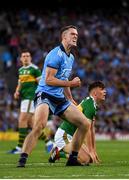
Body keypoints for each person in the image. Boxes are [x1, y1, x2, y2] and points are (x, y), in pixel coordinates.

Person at [17, 25, 91, 167]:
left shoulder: (71, 57)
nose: (76, 36)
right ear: (64, 37)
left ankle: (72, 159)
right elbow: (49, 80)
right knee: (39, 126)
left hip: (60, 99)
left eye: (76, 34)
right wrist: (71, 83)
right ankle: (22, 159)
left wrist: (70, 99)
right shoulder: (55, 54)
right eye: (72, 34)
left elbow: (63, 79)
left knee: (84, 123)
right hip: (45, 94)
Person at [48, 81, 106, 165]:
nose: (105, 91)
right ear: (95, 93)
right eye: (102, 89)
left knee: (89, 159)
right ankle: (58, 152)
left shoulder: (92, 104)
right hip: (65, 135)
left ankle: (63, 152)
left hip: (73, 137)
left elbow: (91, 129)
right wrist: (90, 151)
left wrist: (93, 151)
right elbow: (88, 130)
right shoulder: (90, 105)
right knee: (85, 160)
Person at [8, 49, 41, 154]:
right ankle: (49, 143)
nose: (26, 57)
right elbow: (20, 83)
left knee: (22, 120)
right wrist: (17, 91)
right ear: (21, 59)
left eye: (28, 56)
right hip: (24, 98)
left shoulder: (35, 69)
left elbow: (40, 84)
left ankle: (19, 147)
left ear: (30, 58)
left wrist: (38, 96)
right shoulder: (21, 70)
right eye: (24, 56)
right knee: (32, 123)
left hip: (30, 98)